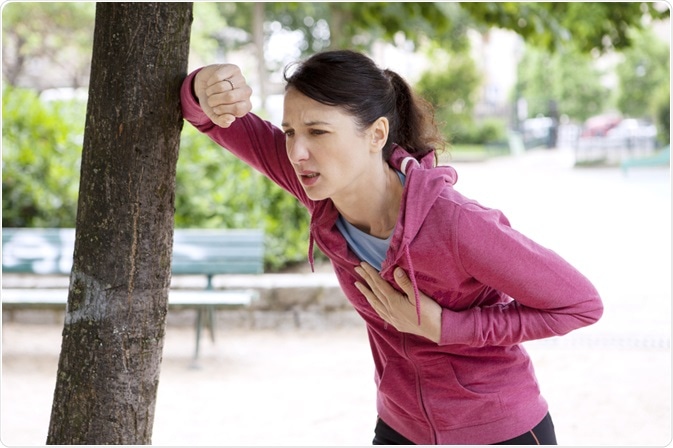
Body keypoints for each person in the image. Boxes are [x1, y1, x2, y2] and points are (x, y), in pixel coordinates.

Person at [180, 49, 603, 445]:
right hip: (399, 428)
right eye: (290, 131)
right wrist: (205, 86)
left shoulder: (455, 223)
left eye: (318, 131)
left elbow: (580, 305)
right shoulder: (321, 189)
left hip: (497, 430)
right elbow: (210, 118)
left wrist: (445, 327)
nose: (297, 151)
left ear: (376, 134)